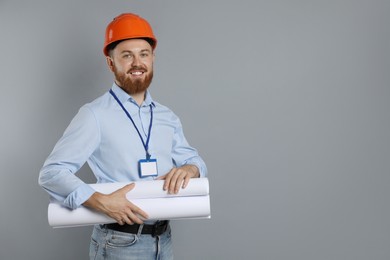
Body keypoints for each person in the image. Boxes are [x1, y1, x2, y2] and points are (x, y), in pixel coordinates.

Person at [39, 13, 207, 260]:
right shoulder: (94, 115)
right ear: (111, 63)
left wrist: (191, 169)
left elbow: (195, 160)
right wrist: (98, 200)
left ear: (152, 59)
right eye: (127, 55)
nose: (137, 62)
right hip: (120, 243)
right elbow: (52, 173)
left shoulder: (166, 116)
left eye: (144, 54)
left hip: (164, 239)